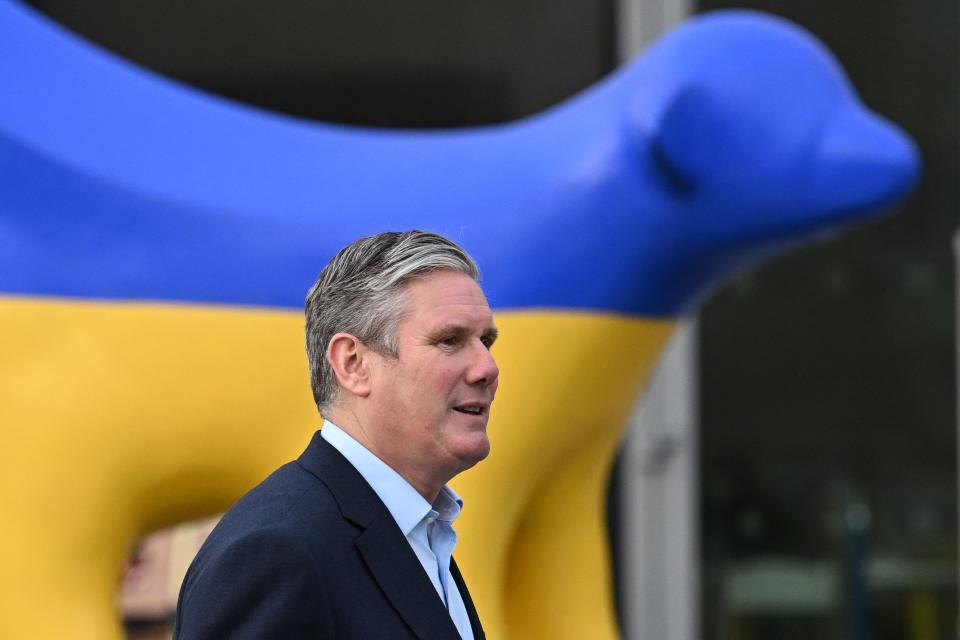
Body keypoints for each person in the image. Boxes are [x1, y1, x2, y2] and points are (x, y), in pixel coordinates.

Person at [173, 230, 499, 639]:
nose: (486, 367)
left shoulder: (416, 531)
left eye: (486, 341)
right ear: (353, 364)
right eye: (449, 340)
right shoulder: (278, 552)